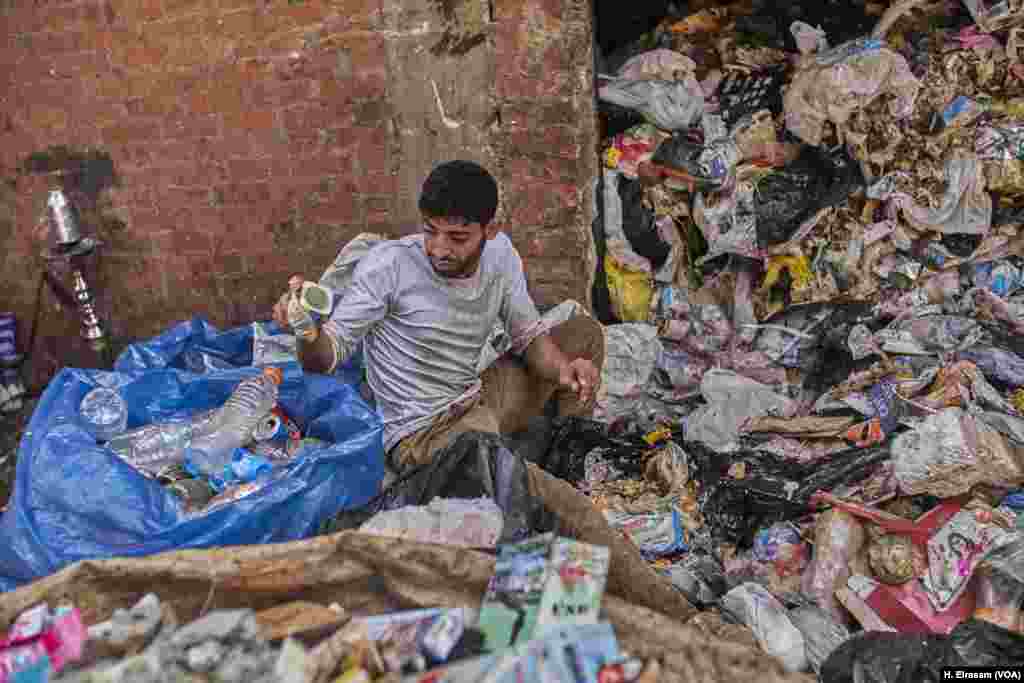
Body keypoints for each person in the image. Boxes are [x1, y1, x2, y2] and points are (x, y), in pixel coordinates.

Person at [273, 160, 604, 471]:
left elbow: (527, 335)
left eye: (457, 238)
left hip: (476, 397)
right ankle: (532, 478)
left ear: (490, 229)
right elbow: (324, 357)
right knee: (548, 500)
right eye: (430, 231)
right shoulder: (389, 265)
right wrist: (307, 332)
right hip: (424, 435)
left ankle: (569, 457)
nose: (439, 249)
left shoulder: (500, 255)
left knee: (584, 334)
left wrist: (563, 371)